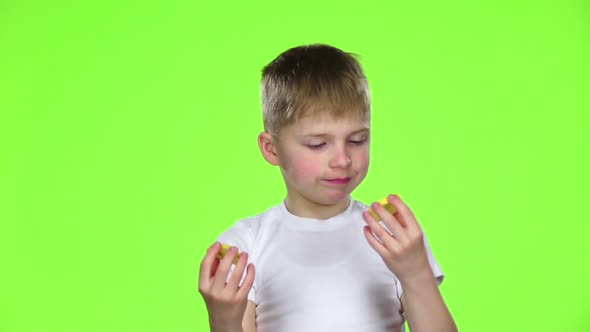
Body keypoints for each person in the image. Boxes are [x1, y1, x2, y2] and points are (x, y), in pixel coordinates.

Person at [198, 44, 457, 332]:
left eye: (357, 139)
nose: (343, 160)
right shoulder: (246, 245)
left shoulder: (394, 235)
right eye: (318, 144)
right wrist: (224, 319)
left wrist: (416, 272)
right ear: (272, 150)